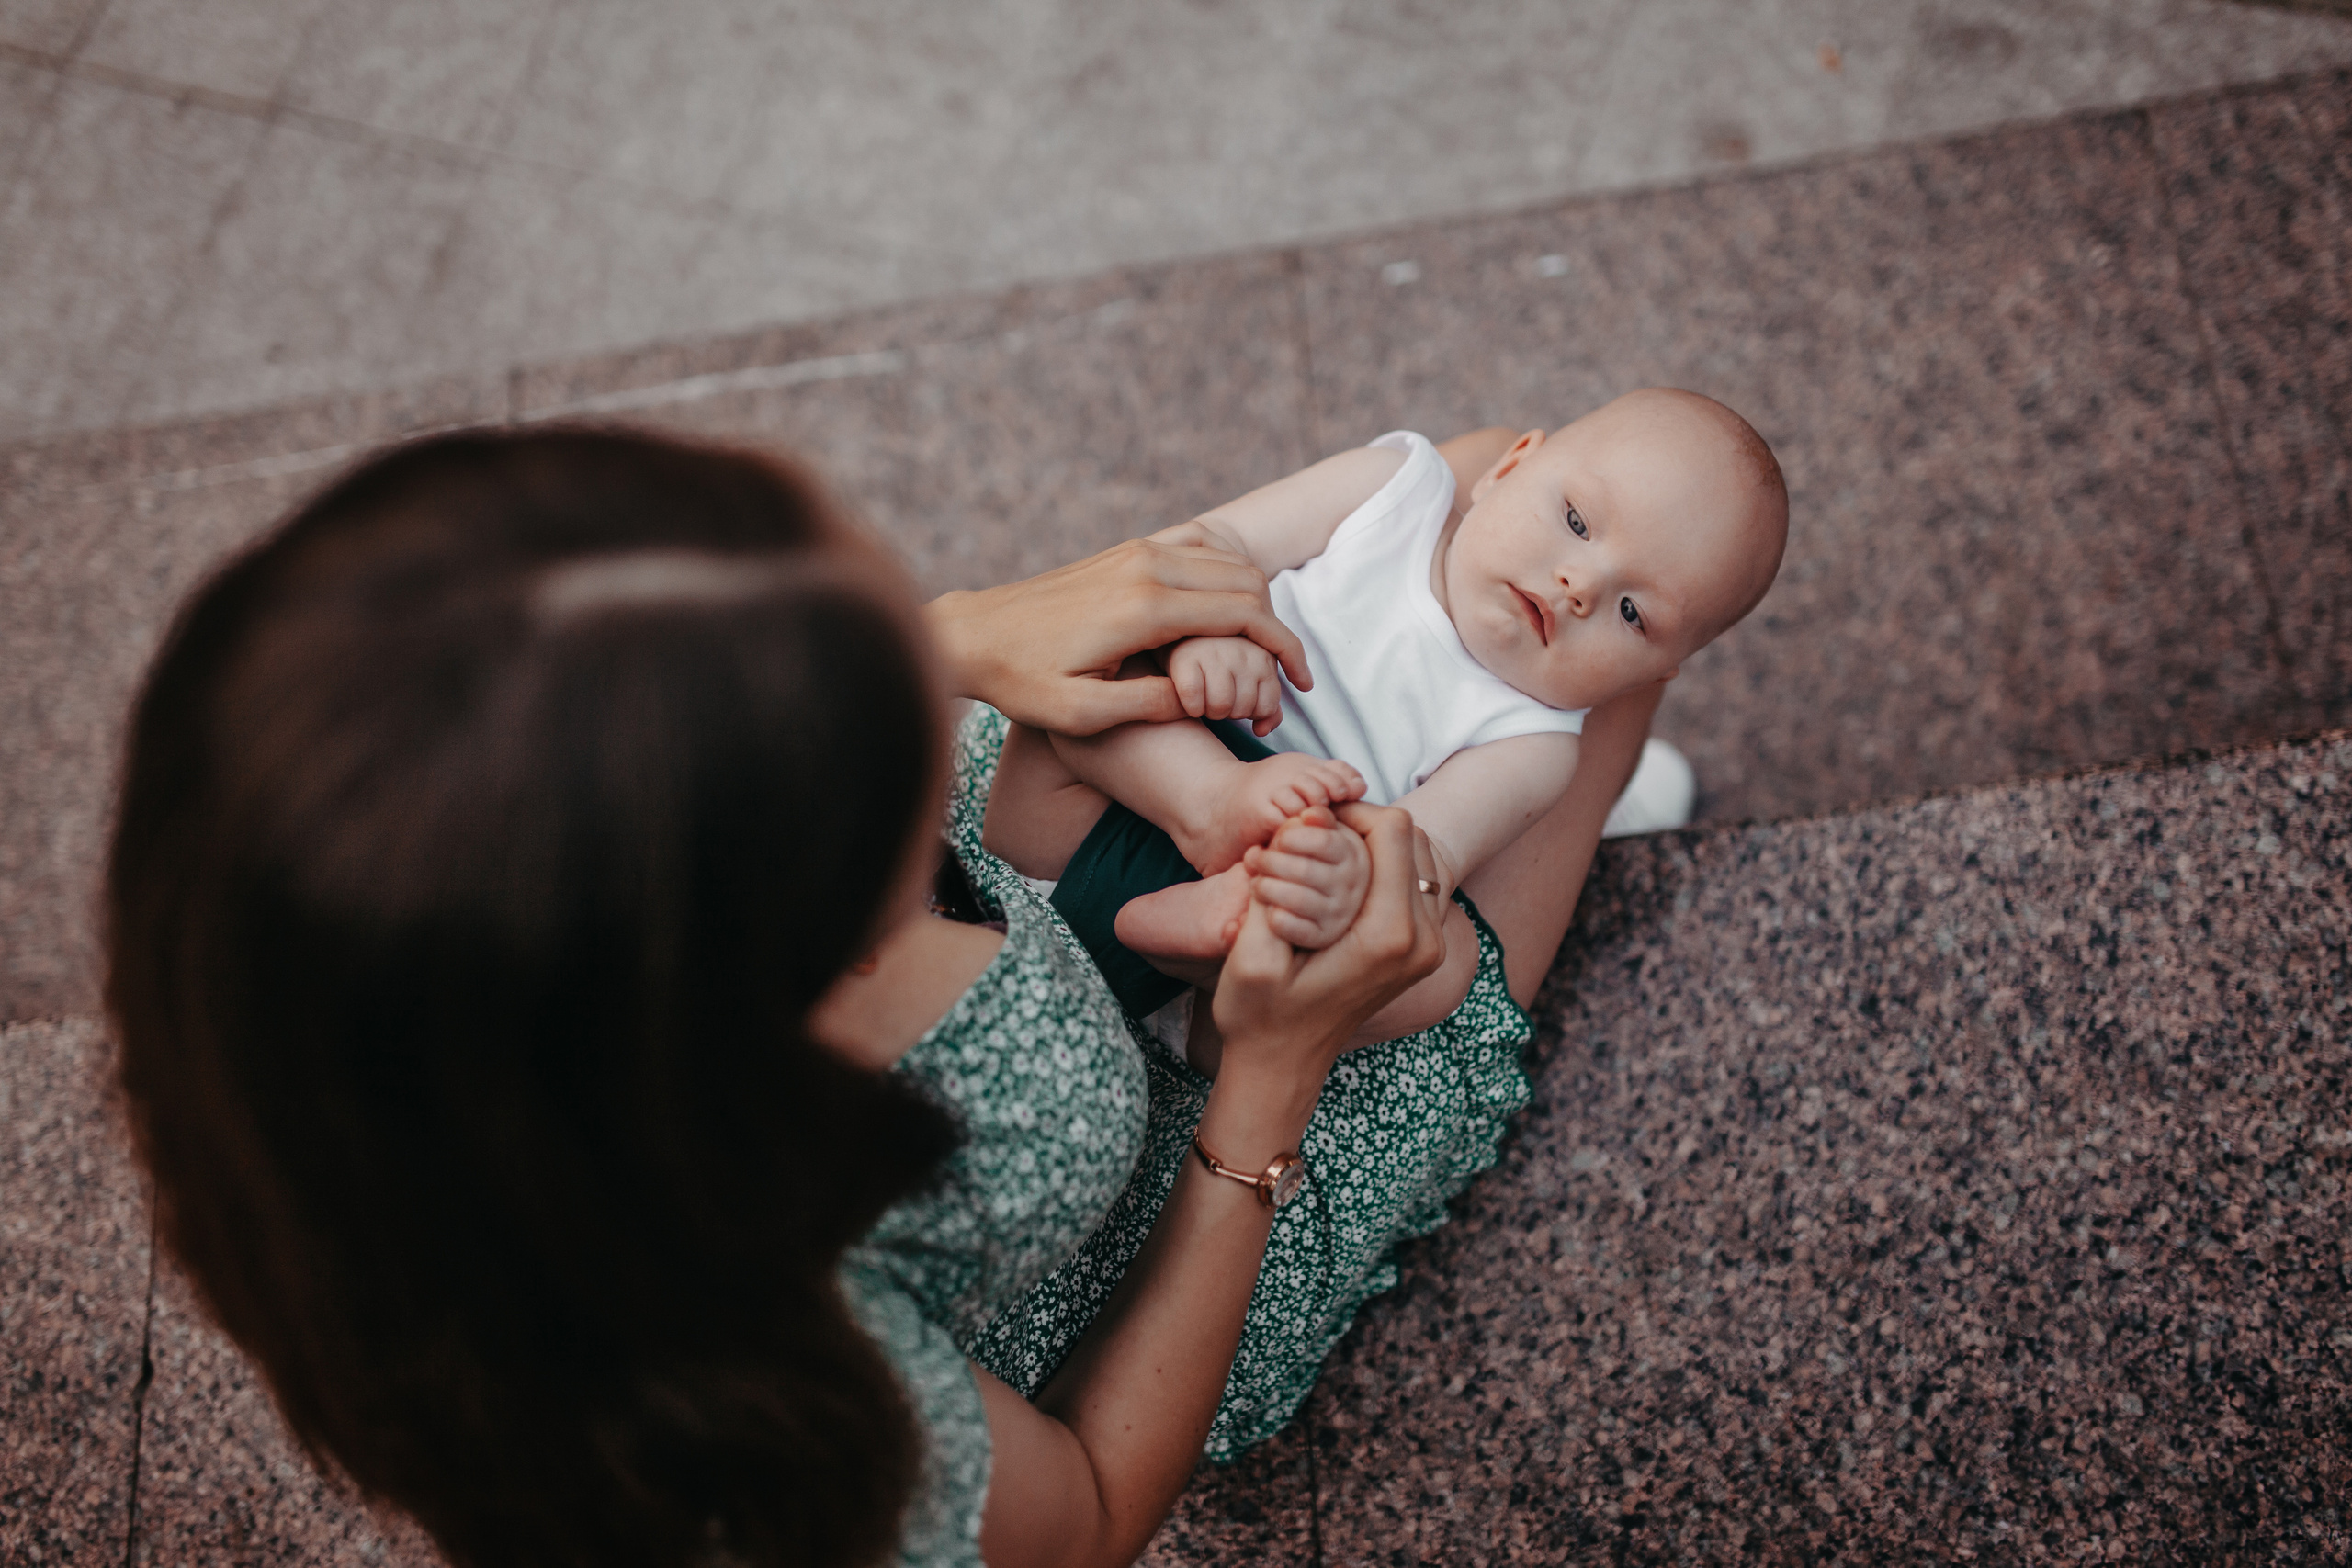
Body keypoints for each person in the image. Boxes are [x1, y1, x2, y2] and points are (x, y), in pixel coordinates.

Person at [100, 421, 1678, 1568]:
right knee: (1592, 698)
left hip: (1120, 895)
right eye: (893, 707)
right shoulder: (770, 1378)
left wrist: (969, 634)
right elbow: (1088, 1511)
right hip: (1166, 1242)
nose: (946, 685)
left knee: (1549, 538)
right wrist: (1270, 1075)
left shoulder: (452, 891)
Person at [980, 389, 1787, 1016]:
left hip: (1264, 874)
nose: (1580, 585)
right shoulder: (1395, 489)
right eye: (1576, 519)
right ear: (1507, 467)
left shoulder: (1533, 742)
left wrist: (1322, 876)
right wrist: (1212, 631)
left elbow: (1416, 854)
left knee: (1421, 953)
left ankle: (1217, 938)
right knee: (1111, 663)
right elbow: (1212, 544)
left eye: (1633, 613)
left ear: (1651, 675)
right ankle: (1211, 802)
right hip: (1105, 804)